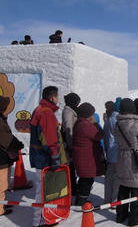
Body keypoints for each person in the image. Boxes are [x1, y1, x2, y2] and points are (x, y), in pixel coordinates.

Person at [30, 86, 67, 227]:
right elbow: (49, 139)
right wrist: (55, 157)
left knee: (45, 190)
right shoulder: (46, 113)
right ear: (52, 97)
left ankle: (46, 218)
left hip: (40, 156)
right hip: (44, 158)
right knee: (43, 191)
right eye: (57, 96)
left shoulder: (39, 109)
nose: (58, 99)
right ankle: (39, 221)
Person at [114, 98, 138, 226]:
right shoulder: (136, 123)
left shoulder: (117, 123)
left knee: (123, 187)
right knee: (136, 189)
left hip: (122, 157)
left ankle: (120, 215)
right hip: (135, 158)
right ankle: (135, 218)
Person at [72, 102, 104, 206]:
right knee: (87, 180)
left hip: (83, 156)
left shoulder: (79, 123)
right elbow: (99, 135)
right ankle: (81, 201)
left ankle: (80, 199)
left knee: (84, 179)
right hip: (86, 157)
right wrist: (95, 123)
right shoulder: (85, 125)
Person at [0, 96, 24, 216]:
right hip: (1, 157)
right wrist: (16, 144)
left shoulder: (1, 118)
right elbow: (5, 139)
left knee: (4, 182)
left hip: (4, 156)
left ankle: (1, 203)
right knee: (1, 184)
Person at [61, 92, 81, 196]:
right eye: (77, 102)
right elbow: (68, 130)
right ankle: (72, 187)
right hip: (69, 143)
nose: (78, 104)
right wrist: (70, 146)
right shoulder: (68, 112)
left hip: (71, 142)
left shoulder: (70, 111)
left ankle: (72, 185)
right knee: (70, 166)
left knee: (72, 166)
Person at [103, 101, 119, 204]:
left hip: (109, 153)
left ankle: (107, 200)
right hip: (117, 153)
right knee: (117, 179)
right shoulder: (117, 120)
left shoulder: (108, 120)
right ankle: (115, 201)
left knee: (108, 179)